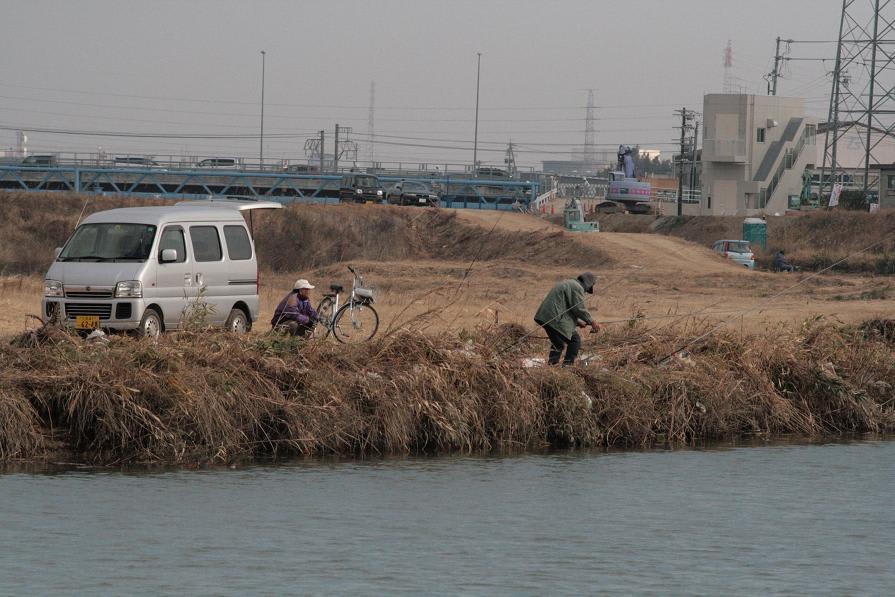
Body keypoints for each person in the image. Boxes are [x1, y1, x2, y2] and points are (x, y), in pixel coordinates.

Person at [534, 272, 600, 366]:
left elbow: (566, 307)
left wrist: (577, 322)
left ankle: (552, 365)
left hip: (545, 316)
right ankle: (567, 366)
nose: (585, 291)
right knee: (575, 340)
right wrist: (592, 322)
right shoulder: (577, 287)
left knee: (558, 343)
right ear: (588, 284)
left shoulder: (569, 283)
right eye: (588, 289)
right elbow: (578, 308)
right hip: (553, 318)